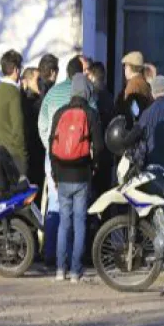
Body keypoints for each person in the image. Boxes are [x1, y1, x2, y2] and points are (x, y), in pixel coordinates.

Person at [48, 74, 102, 283]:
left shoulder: (60, 113)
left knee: (64, 222)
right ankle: (75, 271)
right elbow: (99, 146)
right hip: (81, 175)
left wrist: (55, 173)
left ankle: (60, 270)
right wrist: (94, 167)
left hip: (62, 174)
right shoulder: (91, 113)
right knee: (80, 222)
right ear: (86, 91)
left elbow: (52, 146)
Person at [38, 56, 92, 267]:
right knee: (77, 210)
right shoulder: (86, 93)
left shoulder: (52, 94)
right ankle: (72, 257)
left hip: (55, 159)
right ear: (80, 73)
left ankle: (50, 254)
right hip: (79, 163)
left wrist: (53, 149)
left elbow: (42, 126)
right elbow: (92, 123)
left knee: (55, 204)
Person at [0, 50, 28, 177]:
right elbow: (17, 127)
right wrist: (23, 155)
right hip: (15, 154)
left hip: (1, 149)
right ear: (16, 69)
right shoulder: (13, 93)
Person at [88, 62, 115, 194]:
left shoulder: (93, 97)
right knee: (105, 188)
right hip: (108, 148)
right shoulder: (110, 96)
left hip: (96, 147)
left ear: (93, 75)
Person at [21, 67, 46, 189]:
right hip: (32, 148)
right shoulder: (28, 99)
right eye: (38, 79)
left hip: (38, 147)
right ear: (28, 80)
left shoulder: (39, 97)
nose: (40, 83)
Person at [115, 51, 153, 124]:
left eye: (125, 67)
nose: (124, 70)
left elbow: (134, 111)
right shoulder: (143, 82)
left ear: (130, 67)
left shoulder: (133, 85)